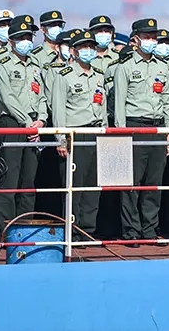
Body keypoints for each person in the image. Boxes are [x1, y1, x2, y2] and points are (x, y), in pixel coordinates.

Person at [114, 18, 169, 247]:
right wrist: (121, 134)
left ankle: (149, 229)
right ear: (136, 40)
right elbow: (119, 104)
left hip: (157, 128)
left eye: (153, 37)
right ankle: (131, 231)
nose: (151, 41)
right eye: (147, 37)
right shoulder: (125, 67)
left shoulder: (162, 67)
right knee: (131, 183)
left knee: (153, 183)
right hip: (134, 127)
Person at [0, 15, 48, 236]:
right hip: (13, 124)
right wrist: (27, 124)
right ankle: (6, 233)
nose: (26, 41)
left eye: (28, 37)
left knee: (28, 182)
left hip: (34, 126)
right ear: (11, 41)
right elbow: (7, 98)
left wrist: (41, 120)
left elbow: (42, 95)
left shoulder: (35, 65)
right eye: (21, 37)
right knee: (9, 181)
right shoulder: (3, 65)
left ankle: (25, 232)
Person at [52, 29, 107, 239]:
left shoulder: (98, 75)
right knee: (74, 186)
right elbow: (58, 110)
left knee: (93, 186)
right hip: (75, 134)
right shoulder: (64, 76)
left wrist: (105, 133)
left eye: (91, 47)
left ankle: (88, 231)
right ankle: (72, 232)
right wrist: (61, 139)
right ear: (74, 51)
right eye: (84, 47)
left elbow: (102, 107)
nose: (88, 51)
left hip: (96, 133)